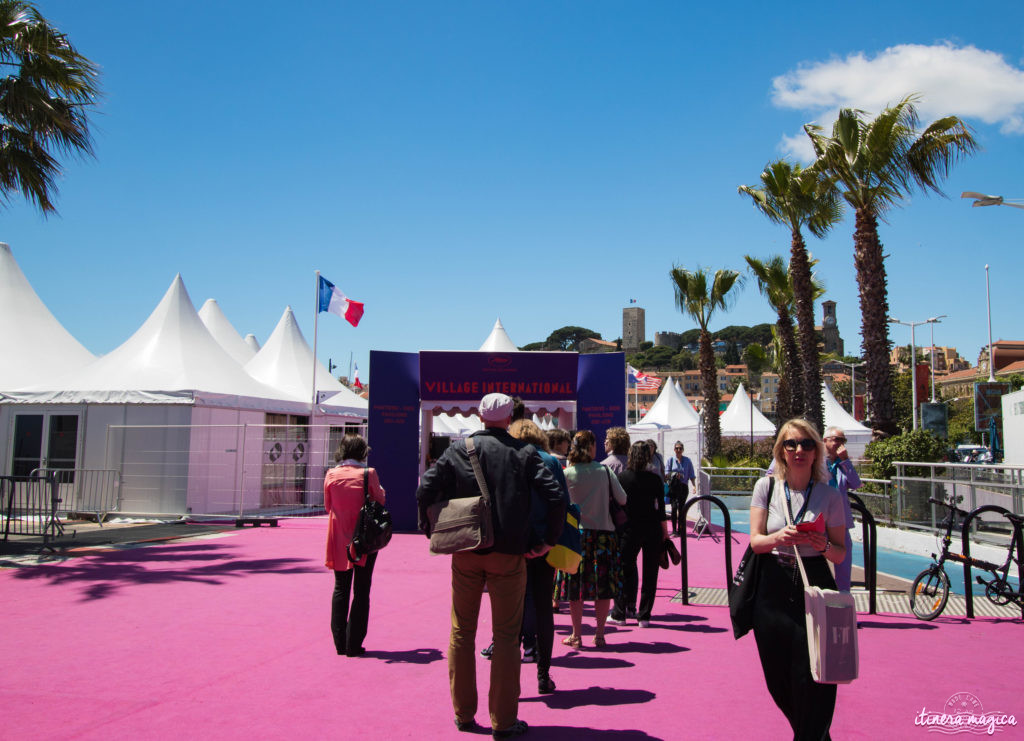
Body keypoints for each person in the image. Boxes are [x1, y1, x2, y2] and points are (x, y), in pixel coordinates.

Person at [416, 393, 566, 740]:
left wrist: (430, 529)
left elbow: (425, 487)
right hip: (511, 554)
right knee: (507, 636)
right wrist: (546, 541)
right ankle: (503, 720)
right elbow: (556, 496)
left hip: (467, 549)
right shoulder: (524, 453)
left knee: (461, 632)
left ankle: (464, 714)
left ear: (480, 415)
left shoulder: (458, 449)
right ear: (508, 416)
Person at [749, 419, 848, 740]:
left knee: (816, 673)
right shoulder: (766, 487)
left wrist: (823, 545)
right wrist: (780, 537)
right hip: (773, 587)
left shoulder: (829, 496)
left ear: (817, 451)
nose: (799, 450)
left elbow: (841, 554)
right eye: (791, 444)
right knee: (777, 677)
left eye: (806, 444)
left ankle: (811, 734)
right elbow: (755, 542)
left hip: (815, 584)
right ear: (781, 451)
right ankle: (814, 734)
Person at [508, 418, 571, 694]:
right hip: (544, 545)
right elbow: (562, 503)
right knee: (545, 608)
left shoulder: (508, 458)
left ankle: (510, 683)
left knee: (511, 611)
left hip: (512, 547)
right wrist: (549, 541)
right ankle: (544, 675)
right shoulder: (552, 462)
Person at [558, 430, 628, 649]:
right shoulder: (604, 471)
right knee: (603, 587)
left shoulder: (566, 473)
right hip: (604, 536)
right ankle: (599, 634)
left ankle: (576, 634)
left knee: (575, 588)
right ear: (590, 447)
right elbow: (623, 499)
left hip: (576, 535)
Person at [324, 433, 385, 657]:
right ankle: (354, 642)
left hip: (339, 537)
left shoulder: (331, 474)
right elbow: (380, 501)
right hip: (365, 538)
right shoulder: (369, 474)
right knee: (362, 590)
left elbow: (328, 506)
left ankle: (339, 642)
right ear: (362, 451)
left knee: (340, 588)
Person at [609, 441, 669, 627]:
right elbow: (661, 511)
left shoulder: (623, 478)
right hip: (652, 528)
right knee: (651, 572)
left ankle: (620, 612)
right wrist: (665, 534)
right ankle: (644, 615)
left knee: (623, 568)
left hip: (629, 528)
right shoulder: (655, 480)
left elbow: (616, 504)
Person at [823, 426, 862, 592]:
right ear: (825, 441)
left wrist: (846, 461)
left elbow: (856, 484)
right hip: (820, 520)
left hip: (840, 521)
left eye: (842, 440)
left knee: (844, 564)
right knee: (816, 562)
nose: (839, 443)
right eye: (836, 439)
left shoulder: (842, 464)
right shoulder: (817, 463)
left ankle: (844, 603)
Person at [665, 441, 696, 536]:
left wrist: (694, 486)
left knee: (681, 508)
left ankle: (681, 529)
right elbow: (666, 474)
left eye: (680, 448)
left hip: (683, 487)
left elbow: (691, 475)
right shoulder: (670, 460)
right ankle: (674, 530)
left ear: (683, 450)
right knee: (674, 507)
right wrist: (674, 474)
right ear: (674, 450)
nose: (678, 450)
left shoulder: (687, 461)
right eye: (677, 448)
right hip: (674, 487)